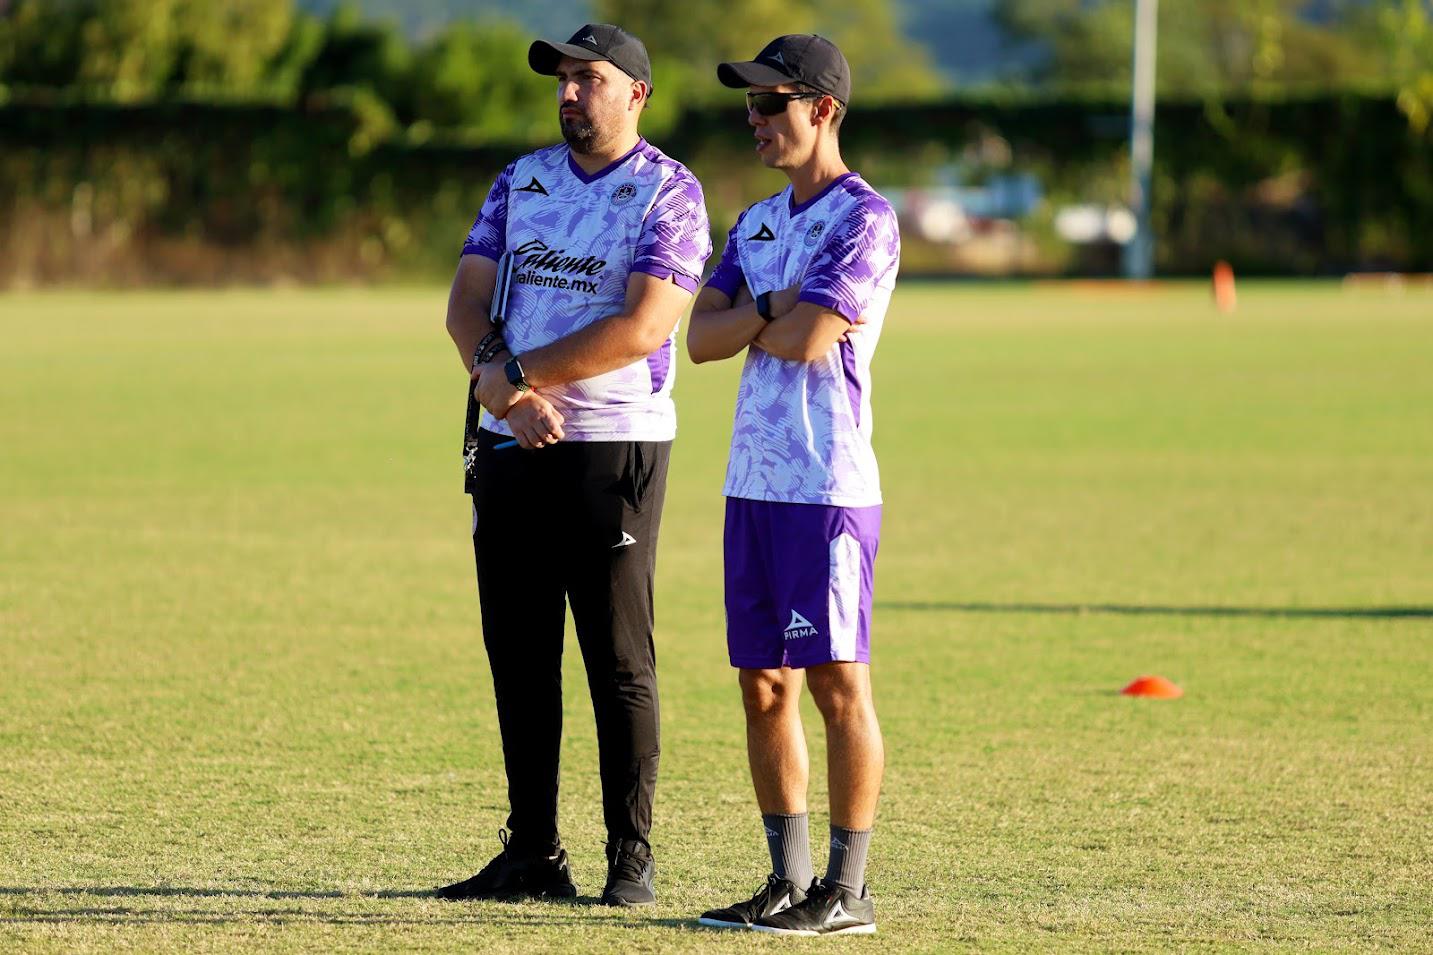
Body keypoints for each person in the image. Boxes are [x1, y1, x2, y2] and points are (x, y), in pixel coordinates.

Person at [437, 23, 711, 907]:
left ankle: (630, 855)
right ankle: (532, 853)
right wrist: (505, 391)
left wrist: (515, 375)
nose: (567, 93)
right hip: (511, 441)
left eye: (587, 78)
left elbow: (643, 325)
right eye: (560, 79)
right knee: (519, 654)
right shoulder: (520, 180)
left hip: (613, 446)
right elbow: (466, 301)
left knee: (617, 657)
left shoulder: (669, 191)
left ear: (636, 92)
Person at [685, 34, 900, 936]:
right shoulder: (756, 222)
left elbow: (815, 340)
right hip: (752, 484)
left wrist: (757, 316)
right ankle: (788, 879)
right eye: (749, 104)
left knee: (836, 683)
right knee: (762, 685)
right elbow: (698, 340)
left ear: (823, 109)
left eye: (770, 103)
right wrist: (773, 306)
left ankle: (845, 891)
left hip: (825, 487)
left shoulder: (864, 218)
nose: (755, 118)